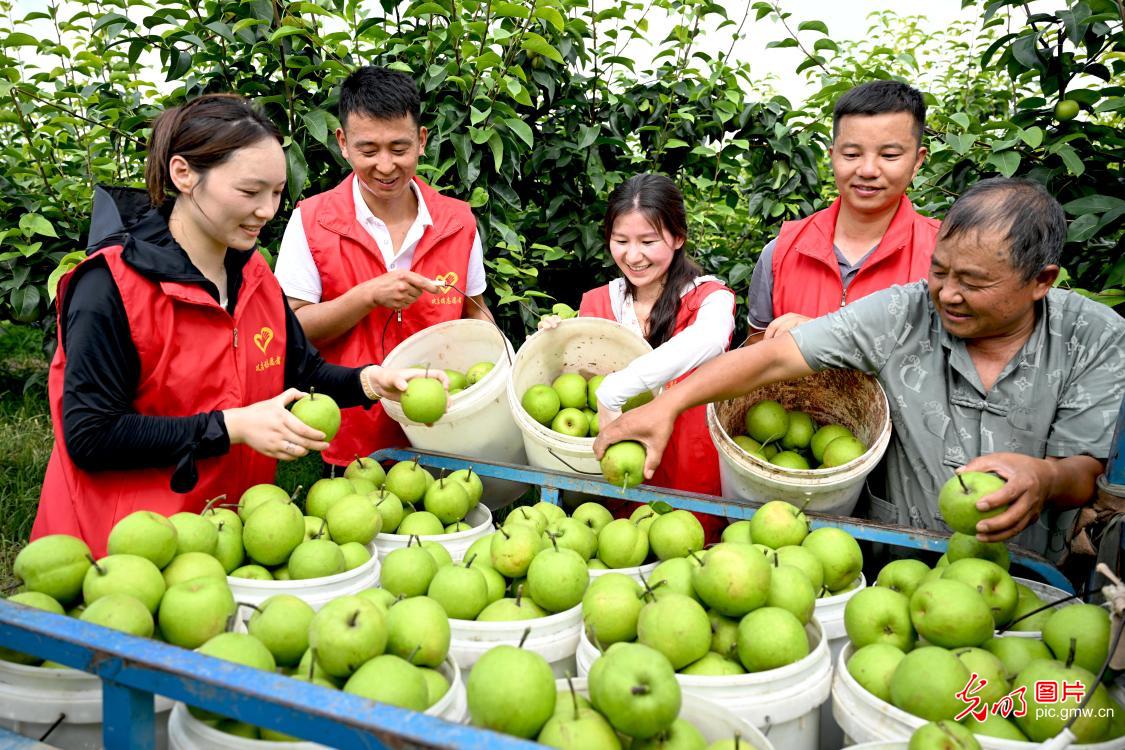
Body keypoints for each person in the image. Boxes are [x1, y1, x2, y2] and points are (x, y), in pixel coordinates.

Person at [596, 178, 1125, 559]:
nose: (948, 293)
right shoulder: (903, 310)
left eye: (974, 281)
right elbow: (775, 355)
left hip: (1021, 574)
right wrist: (667, 405)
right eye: (939, 271)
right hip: (888, 566)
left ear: (1042, 280)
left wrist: (1045, 477)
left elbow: (1084, 470)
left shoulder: (1092, 338)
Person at [32, 94, 440, 556]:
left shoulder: (253, 276)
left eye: (277, 193)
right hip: (120, 549)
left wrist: (371, 381)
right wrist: (231, 427)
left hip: (228, 536)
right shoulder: (109, 287)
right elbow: (91, 435)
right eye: (250, 192)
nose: (267, 210)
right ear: (183, 174)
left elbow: (301, 373)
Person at [274, 66, 492, 473]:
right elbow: (293, 329)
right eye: (369, 150)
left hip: (444, 423)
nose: (386, 165)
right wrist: (367, 296)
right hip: (355, 428)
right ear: (343, 143)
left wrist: (497, 364)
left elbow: (474, 311)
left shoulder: (458, 222)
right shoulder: (311, 222)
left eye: (399, 148)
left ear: (422, 140)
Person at [543, 174, 735, 537]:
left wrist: (617, 387)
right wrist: (556, 345)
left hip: (692, 480)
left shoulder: (710, 298)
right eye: (621, 241)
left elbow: (709, 338)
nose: (633, 256)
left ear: (678, 238)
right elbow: (578, 388)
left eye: (648, 241)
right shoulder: (597, 302)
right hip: (619, 485)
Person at [746, 80, 939, 340]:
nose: (868, 170)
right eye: (851, 154)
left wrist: (821, 336)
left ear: (917, 161)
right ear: (833, 155)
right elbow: (755, 353)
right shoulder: (780, 253)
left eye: (889, 155)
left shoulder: (946, 255)